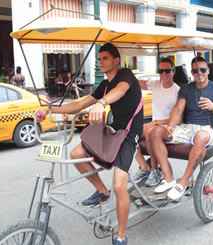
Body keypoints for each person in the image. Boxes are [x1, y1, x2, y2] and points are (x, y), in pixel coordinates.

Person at [37, 43, 143, 245]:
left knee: (120, 185)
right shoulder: (104, 85)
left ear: (116, 60)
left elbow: (120, 91)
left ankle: (121, 236)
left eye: (105, 58)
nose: (100, 62)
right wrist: (50, 109)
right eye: (99, 59)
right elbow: (78, 104)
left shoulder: (125, 76)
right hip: (112, 129)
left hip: (129, 133)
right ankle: (103, 193)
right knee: (76, 154)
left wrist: (102, 103)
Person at [150, 56, 213, 200]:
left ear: (208, 70)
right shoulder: (186, 89)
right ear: (192, 72)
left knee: (200, 136)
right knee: (156, 131)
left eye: (202, 69)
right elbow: (178, 109)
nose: (199, 73)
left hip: (209, 128)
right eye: (195, 70)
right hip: (188, 128)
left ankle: (182, 183)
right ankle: (168, 178)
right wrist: (170, 125)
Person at [132, 57, 180, 187]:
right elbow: (138, 82)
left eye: (167, 71)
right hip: (154, 124)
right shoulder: (155, 85)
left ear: (173, 71)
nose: (164, 74)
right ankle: (144, 167)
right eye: (161, 71)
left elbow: (179, 117)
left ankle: (155, 170)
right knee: (127, 132)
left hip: (166, 127)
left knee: (150, 131)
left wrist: (157, 122)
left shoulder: (177, 91)